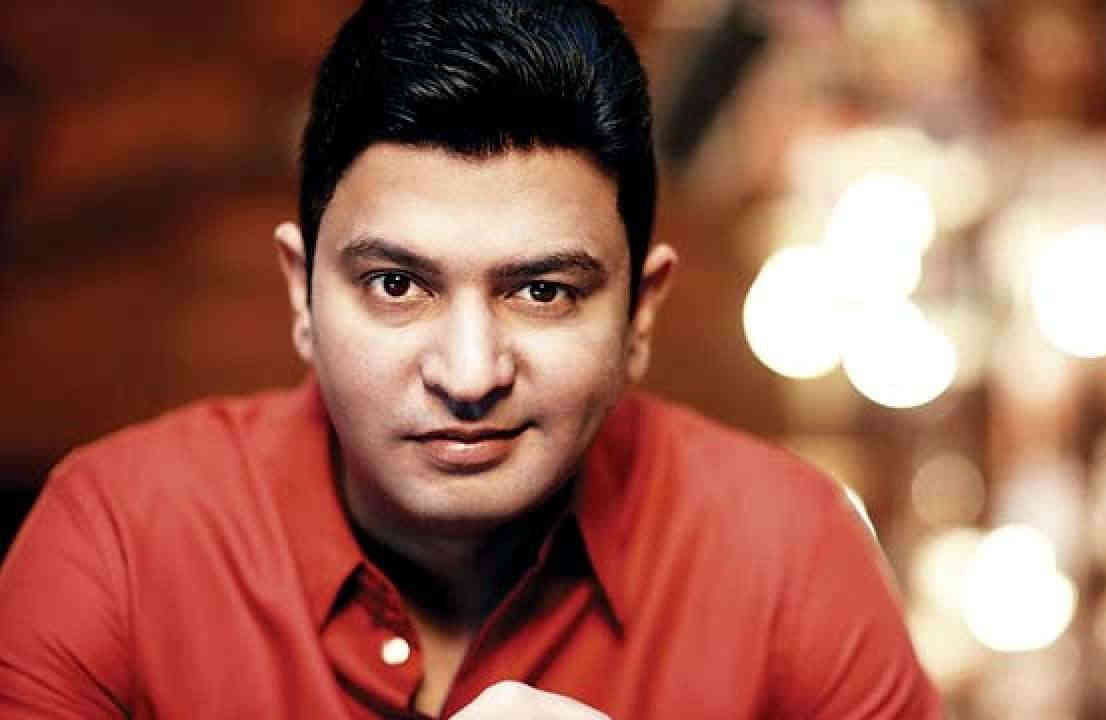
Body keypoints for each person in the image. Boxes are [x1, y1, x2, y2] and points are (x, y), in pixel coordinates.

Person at [0, 1, 941, 717]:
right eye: (396, 285)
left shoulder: (789, 554)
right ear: (300, 293)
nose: (467, 373)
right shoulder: (122, 540)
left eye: (543, 292)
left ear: (640, 314)